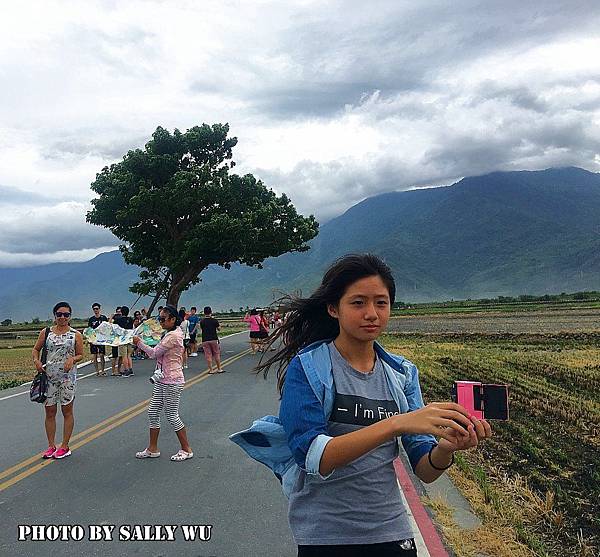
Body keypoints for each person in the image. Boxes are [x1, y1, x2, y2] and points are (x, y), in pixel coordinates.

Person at [234, 254, 492, 556]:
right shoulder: (309, 368)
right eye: (358, 303)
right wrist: (395, 424)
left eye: (381, 303)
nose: (371, 313)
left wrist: (446, 448)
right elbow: (311, 457)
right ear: (334, 308)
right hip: (326, 536)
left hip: (391, 531)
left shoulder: (402, 374)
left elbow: (425, 470)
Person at [133, 305, 194, 462]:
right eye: (159, 318)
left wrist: (139, 343)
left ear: (173, 319)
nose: (160, 322)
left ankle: (186, 449)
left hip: (172, 380)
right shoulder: (170, 333)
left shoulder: (172, 336)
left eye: (163, 319)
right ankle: (152, 448)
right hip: (162, 379)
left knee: (172, 415)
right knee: (153, 412)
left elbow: (154, 353)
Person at [32, 302, 84, 460]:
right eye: (59, 314)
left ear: (70, 317)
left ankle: (65, 446)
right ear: (54, 315)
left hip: (67, 379)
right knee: (50, 412)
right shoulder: (46, 332)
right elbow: (36, 349)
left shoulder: (75, 334)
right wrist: (36, 361)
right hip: (49, 378)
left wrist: (73, 359)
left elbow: (81, 354)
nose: (62, 317)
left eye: (66, 315)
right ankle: (51, 446)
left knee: (67, 411)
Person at [199, 306, 222, 374]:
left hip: (205, 339)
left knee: (208, 355)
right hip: (214, 339)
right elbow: (219, 329)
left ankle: (211, 370)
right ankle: (219, 369)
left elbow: (201, 328)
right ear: (211, 312)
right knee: (216, 354)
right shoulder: (214, 320)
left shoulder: (202, 321)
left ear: (204, 313)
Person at [87, 303, 108, 376]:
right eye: (94, 309)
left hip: (101, 339)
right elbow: (89, 330)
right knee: (94, 355)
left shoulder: (103, 318)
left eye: (97, 309)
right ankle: (97, 371)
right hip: (94, 340)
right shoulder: (91, 319)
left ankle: (102, 370)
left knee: (102, 355)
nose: (95, 310)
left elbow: (107, 327)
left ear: (99, 309)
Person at [114, 305, 135, 377]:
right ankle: (130, 369)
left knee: (124, 356)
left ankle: (126, 370)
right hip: (129, 339)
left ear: (121, 312)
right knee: (129, 355)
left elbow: (112, 326)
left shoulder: (118, 320)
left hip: (122, 340)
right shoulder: (131, 319)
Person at [109, 307, 122, 375]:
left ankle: (119, 370)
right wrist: (111, 317)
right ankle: (113, 371)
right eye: (117, 312)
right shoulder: (114, 319)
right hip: (114, 340)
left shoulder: (123, 319)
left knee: (121, 356)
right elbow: (109, 324)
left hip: (121, 340)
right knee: (114, 356)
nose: (119, 313)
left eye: (120, 312)